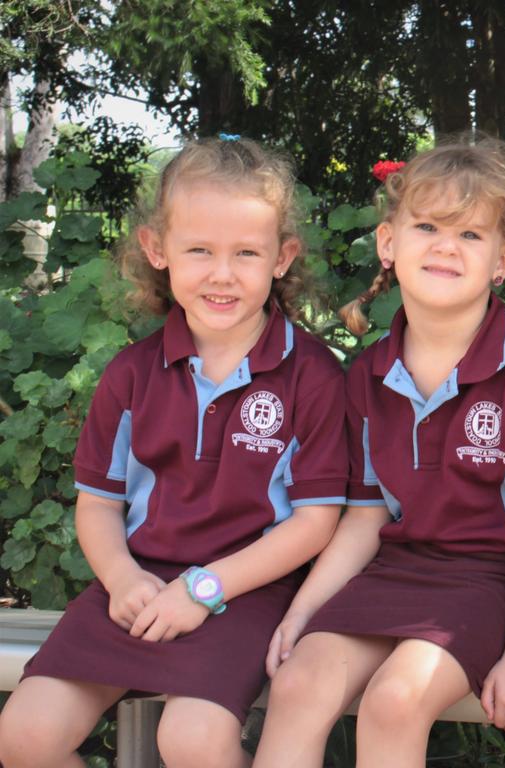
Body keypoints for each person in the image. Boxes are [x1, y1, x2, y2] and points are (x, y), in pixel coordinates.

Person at [0, 136, 348, 768]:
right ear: (157, 251)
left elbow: (317, 522)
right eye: (199, 251)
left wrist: (205, 587)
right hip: (137, 582)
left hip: (247, 590)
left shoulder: (313, 376)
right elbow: (99, 506)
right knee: (23, 736)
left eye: (246, 252)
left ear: (282, 256)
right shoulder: (132, 375)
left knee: (191, 741)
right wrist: (121, 576)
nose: (222, 273)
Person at [252, 137, 505, 768]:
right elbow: (364, 518)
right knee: (297, 680)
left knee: (394, 700)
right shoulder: (368, 375)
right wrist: (301, 613)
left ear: (502, 260)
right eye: (427, 226)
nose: (444, 245)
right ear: (388, 243)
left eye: (470, 235)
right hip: (398, 572)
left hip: (490, 582)